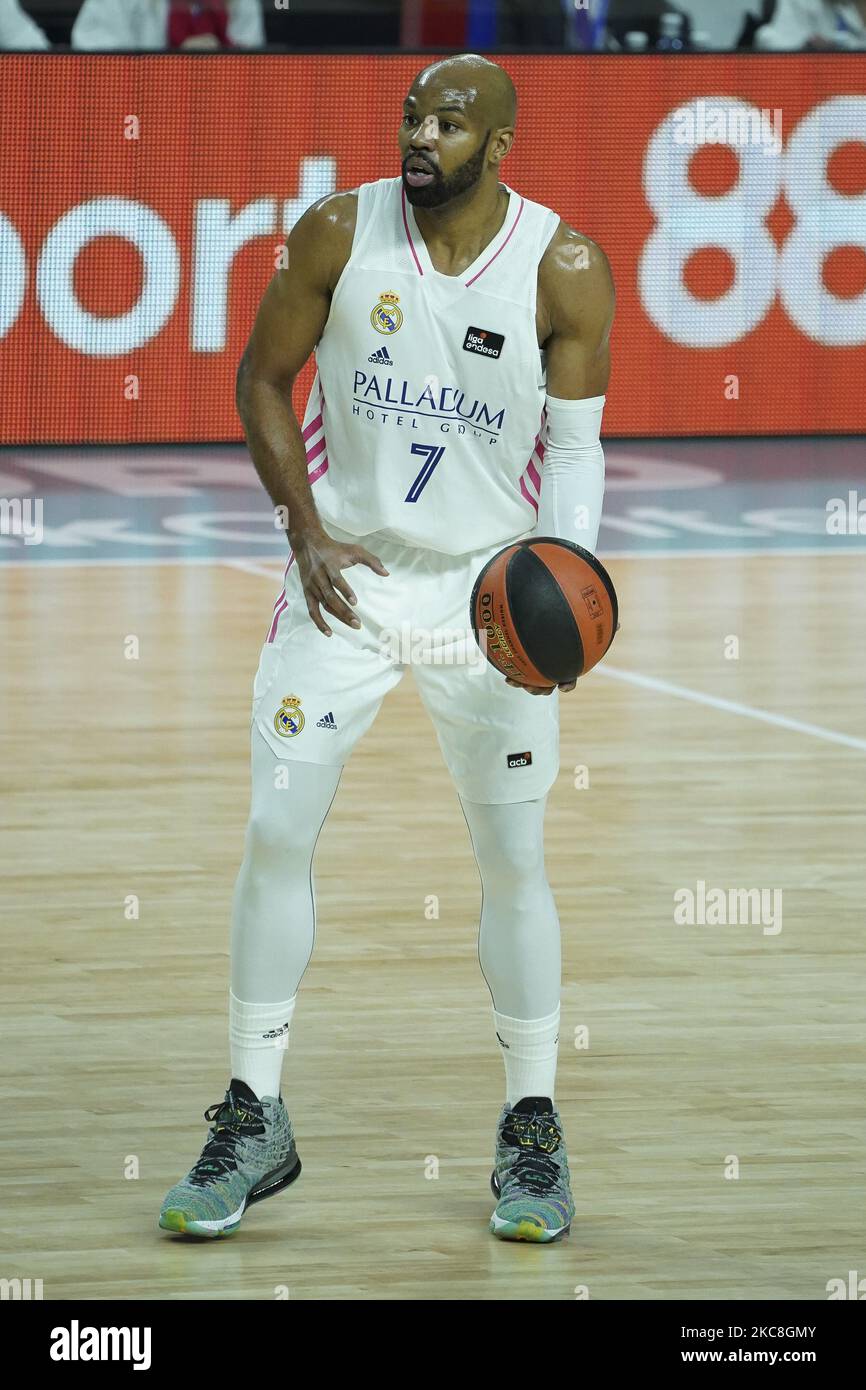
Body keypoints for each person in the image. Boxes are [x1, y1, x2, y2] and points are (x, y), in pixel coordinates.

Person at [159, 52, 614, 1245]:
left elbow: (573, 454)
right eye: (412, 115)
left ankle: (531, 1126)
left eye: (449, 122)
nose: (421, 134)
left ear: (499, 144)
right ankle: (253, 1113)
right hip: (346, 578)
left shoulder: (562, 268)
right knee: (272, 827)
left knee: (513, 856)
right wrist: (298, 529)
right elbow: (261, 378)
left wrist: (560, 579)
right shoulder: (334, 232)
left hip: (488, 603)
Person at [71, 0, 265, 50]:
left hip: (220, 122)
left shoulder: (241, 3)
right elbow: (97, 76)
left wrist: (217, 65)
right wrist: (175, 67)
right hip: (140, 125)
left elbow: (255, 80)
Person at [754, 0, 866, 46]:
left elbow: (858, 42)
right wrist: (806, 43)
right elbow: (768, 38)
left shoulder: (849, 7)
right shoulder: (797, 3)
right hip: (803, 78)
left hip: (846, 80)